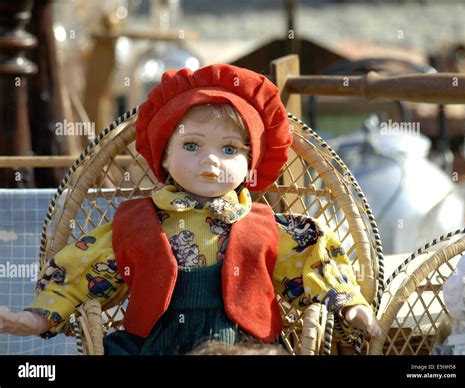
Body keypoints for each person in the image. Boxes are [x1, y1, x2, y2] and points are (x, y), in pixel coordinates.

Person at [0, 64, 381, 354]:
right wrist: (33, 318)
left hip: (244, 346)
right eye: (191, 146)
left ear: (251, 165)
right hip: (154, 345)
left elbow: (313, 265)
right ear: (164, 156)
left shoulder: (269, 228)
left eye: (229, 149)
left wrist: (349, 306)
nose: (210, 162)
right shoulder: (134, 222)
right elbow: (81, 272)